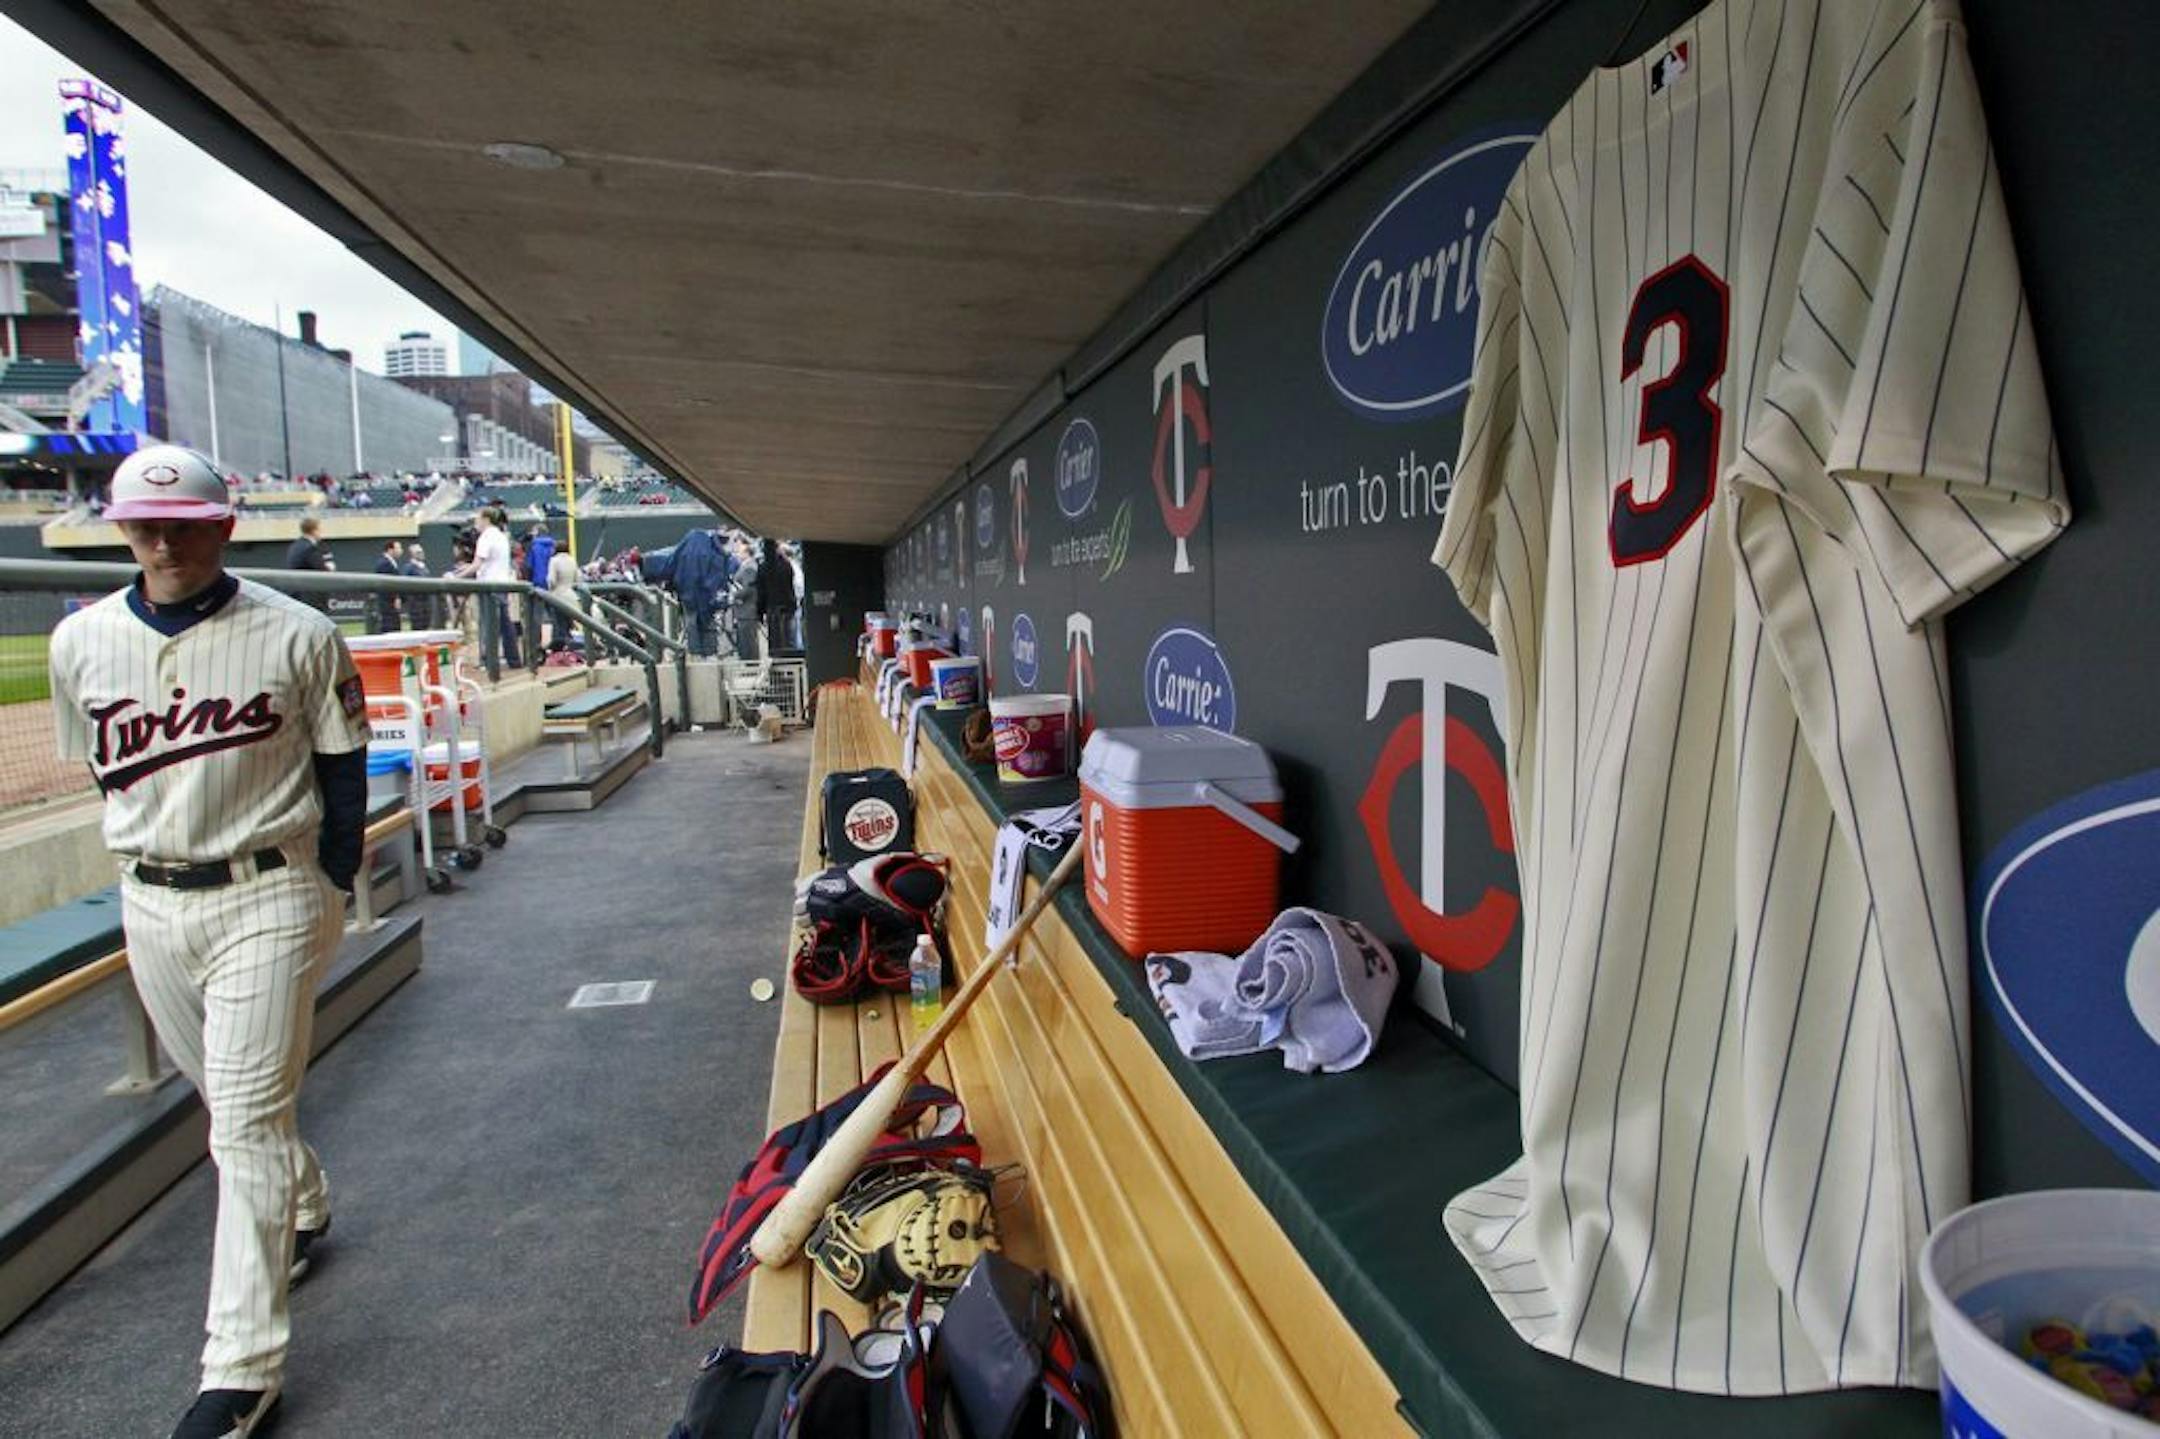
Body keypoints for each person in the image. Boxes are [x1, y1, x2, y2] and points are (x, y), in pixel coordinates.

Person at [47, 445, 368, 1439]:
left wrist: (333, 879)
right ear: (120, 530)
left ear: (225, 525)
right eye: (144, 523)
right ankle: (305, 1200)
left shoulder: (299, 633)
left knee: (238, 1126)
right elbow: (105, 773)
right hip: (150, 898)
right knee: (236, 1105)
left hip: (267, 890)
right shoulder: (80, 640)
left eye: (183, 520)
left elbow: (344, 771)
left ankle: (239, 1371)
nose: (162, 538)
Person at [471, 506, 520, 671]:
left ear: (485, 519)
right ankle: (514, 659)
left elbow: (477, 565)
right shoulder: (501, 536)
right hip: (502, 584)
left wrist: (456, 576)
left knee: (489, 624)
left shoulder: (486, 536)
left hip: (489, 586)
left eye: (477, 519)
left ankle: (488, 660)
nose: (475, 522)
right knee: (505, 624)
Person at [669, 527, 729, 657]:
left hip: (688, 597)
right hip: (707, 597)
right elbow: (719, 577)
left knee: (691, 625)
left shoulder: (685, 554)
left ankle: (695, 654)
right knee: (708, 624)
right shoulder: (715, 553)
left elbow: (673, 571)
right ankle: (710, 653)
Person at [752, 536, 798, 657]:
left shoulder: (763, 567)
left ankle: (778, 665)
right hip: (788, 607)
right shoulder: (786, 565)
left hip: (772, 609)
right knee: (789, 639)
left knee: (775, 641)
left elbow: (761, 592)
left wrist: (759, 613)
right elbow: (790, 586)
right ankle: (790, 665)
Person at [283, 515, 333, 612]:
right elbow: (322, 571)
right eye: (319, 529)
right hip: (310, 599)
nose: (321, 532)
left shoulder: (295, 545)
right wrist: (330, 567)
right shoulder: (309, 548)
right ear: (314, 531)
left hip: (298, 596)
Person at [401, 543, 439, 630]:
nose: (421, 554)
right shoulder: (408, 567)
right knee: (418, 626)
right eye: (418, 552)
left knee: (427, 624)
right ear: (412, 554)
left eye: (422, 552)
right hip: (415, 603)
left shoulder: (424, 567)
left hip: (426, 602)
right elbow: (404, 584)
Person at [371, 539, 404, 633]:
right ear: (390, 550)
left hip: (391, 604)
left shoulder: (392, 563)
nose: (401, 550)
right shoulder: (384, 564)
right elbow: (386, 585)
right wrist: (395, 598)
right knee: (390, 628)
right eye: (398, 548)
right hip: (387, 604)